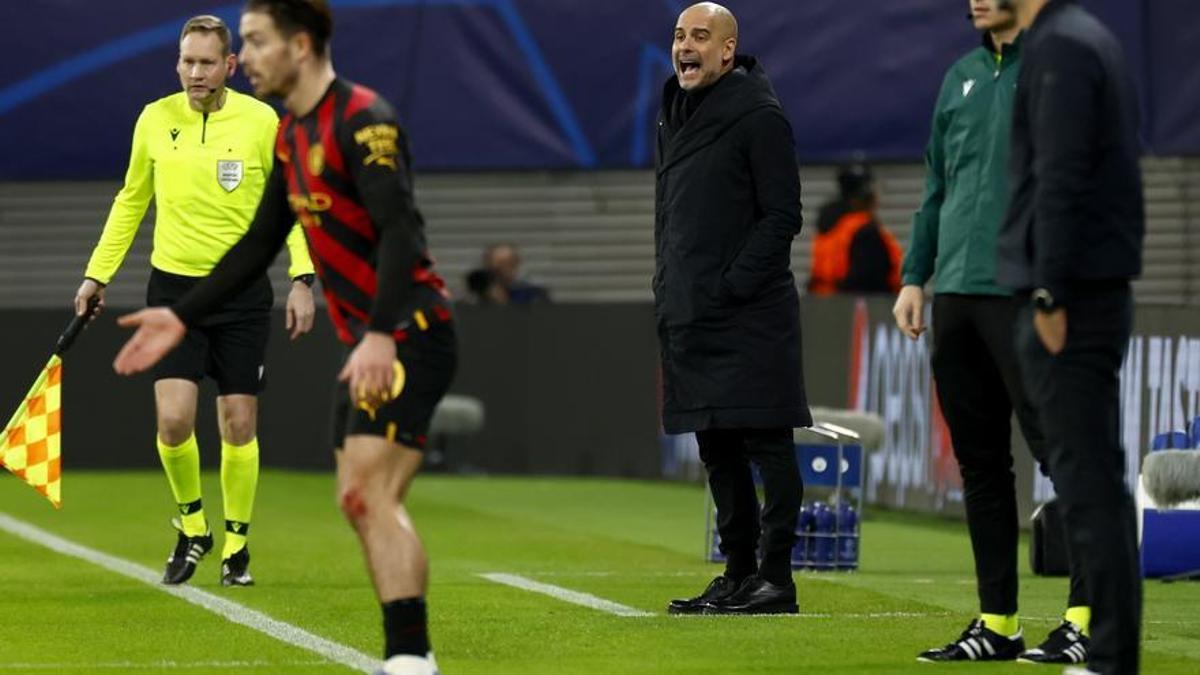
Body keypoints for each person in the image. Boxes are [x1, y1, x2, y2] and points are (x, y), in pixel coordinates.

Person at [111, 2, 454, 673]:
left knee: (373, 497)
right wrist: (180, 315)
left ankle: (411, 658)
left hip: (410, 332)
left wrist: (381, 334)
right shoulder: (292, 134)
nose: (248, 57)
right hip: (375, 339)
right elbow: (256, 245)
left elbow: (401, 235)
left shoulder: (364, 119)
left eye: (258, 42)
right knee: (358, 497)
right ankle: (408, 652)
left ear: (300, 46)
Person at [74, 14, 316, 588]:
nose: (195, 72)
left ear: (230, 66)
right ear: (177, 63)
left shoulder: (262, 121)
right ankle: (192, 527)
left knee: (237, 423)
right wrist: (96, 275)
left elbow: (293, 203)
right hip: (174, 295)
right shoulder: (155, 119)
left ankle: (236, 545)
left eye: (207, 62)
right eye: (187, 61)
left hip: (243, 293)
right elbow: (131, 200)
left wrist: (303, 278)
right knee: (174, 421)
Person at [895, 1, 1093, 664]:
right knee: (981, 466)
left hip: (1025, 292)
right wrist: (915, 275)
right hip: (955, 293)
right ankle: (998, 622)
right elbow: (936, 183)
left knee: (1067, 458)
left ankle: (1088, 617)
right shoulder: (960, 77)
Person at [997, 1, 1145, 673]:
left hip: (1071, 298)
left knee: (1088, 484)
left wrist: (1050, 290)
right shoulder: (1084, 39)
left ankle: (1110, 652)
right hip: (1091, 290)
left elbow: (1060, 175)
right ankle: (1114, 650)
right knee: (1097, 483)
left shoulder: (1059, 49)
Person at [655, 2, 809, 616]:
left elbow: (782, 216)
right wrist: (673, 290)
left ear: (727, 50)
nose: (684, 47)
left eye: (699, 37)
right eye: (677, 36)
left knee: (768, 444)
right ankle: (739, 572)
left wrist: (731, 286)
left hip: (749, 314)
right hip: (690, 312)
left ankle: (776, 578)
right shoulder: (673, 113)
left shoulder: (759, 115)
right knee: (717, 449)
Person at [808, 161, 902, 295]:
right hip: (857, 308)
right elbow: (869, 281)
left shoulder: (828, 227)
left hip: (824, 304)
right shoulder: (864, 231)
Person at [481, 243, 550, 304]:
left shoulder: (535, 294)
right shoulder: (480, 296)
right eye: (499, 265)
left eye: (509, 264)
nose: (504, 270)